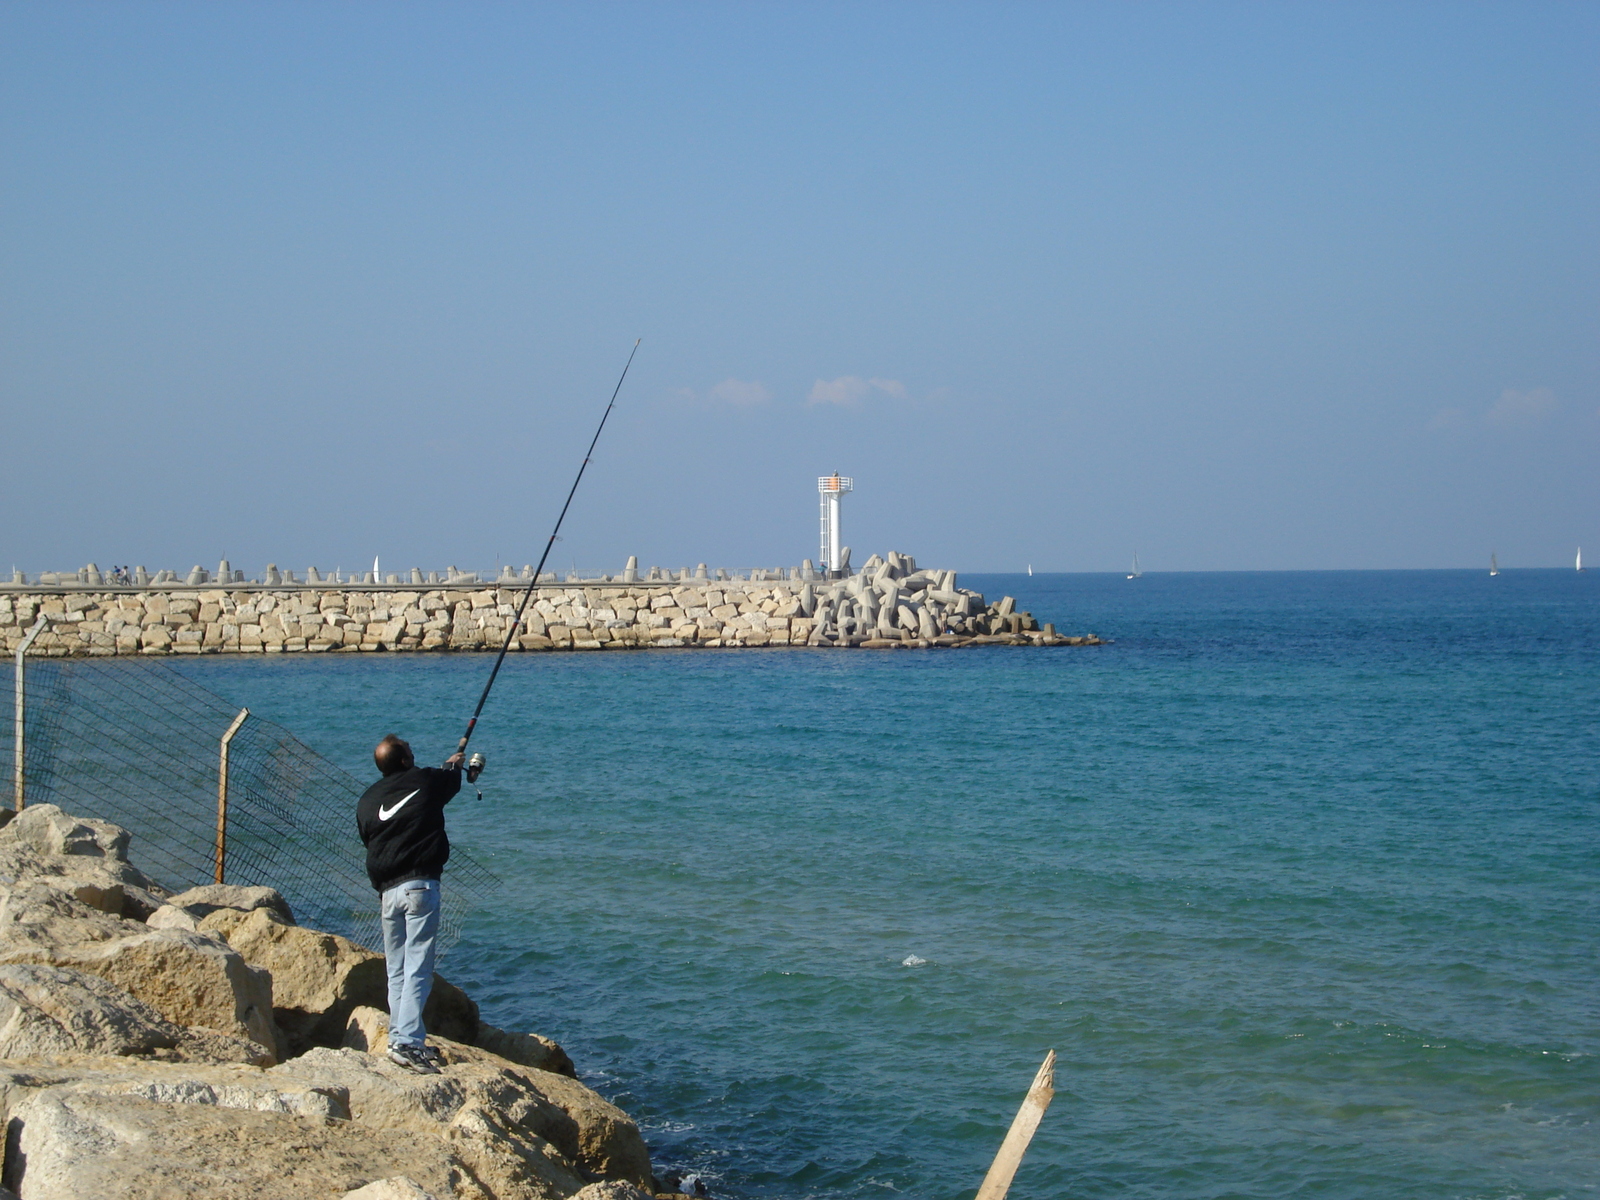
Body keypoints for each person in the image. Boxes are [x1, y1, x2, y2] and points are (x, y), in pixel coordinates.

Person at [356, 734, 463, 1075]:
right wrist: (456, 763)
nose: (414, 753)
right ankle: (409, 1044)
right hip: (420, 886)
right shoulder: (424, 780)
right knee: (418, 966)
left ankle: (399, 1038)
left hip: (388, 894)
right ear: (403, 760)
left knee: (397, 971)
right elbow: (449, 781)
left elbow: (367, 837)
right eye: (410, 750)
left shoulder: (367, 800)